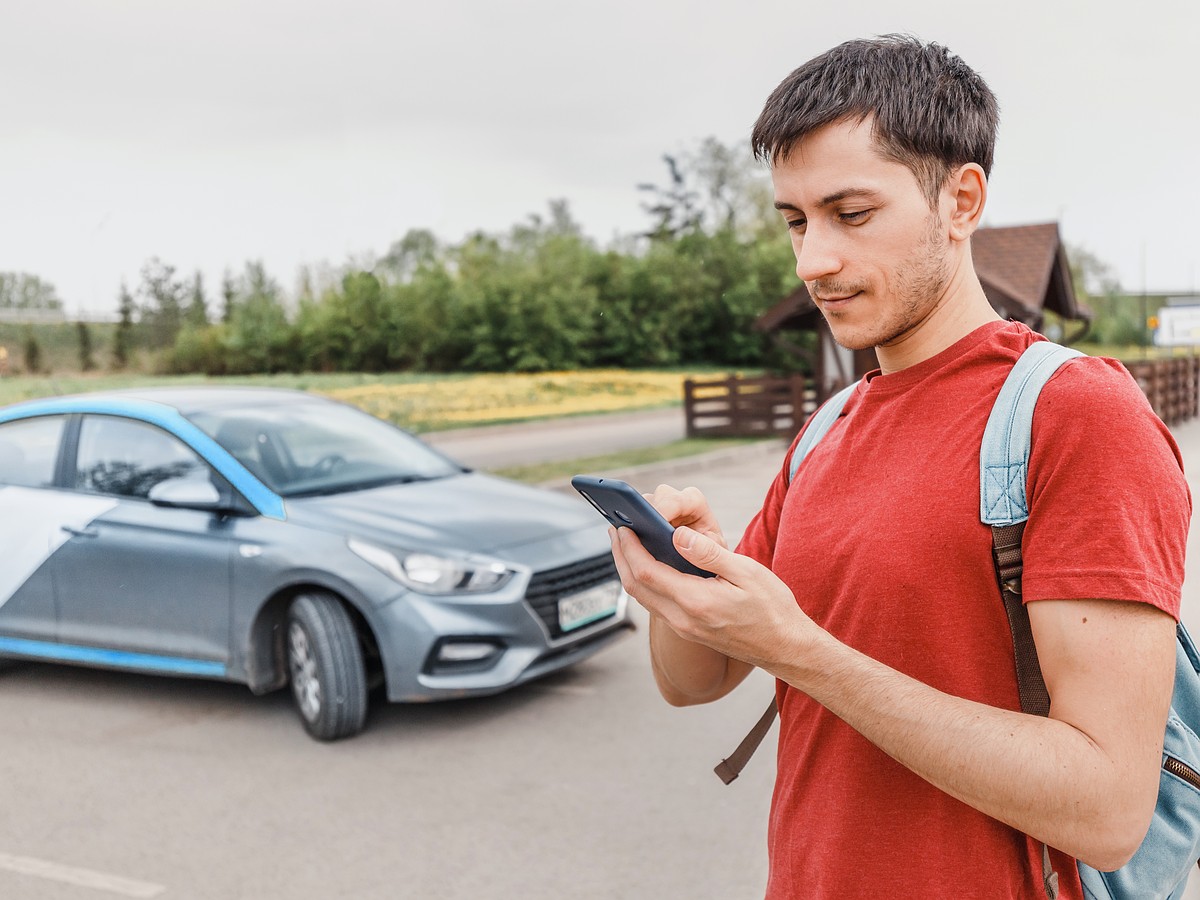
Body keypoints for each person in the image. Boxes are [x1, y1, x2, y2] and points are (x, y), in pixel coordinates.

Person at [609, 35, 1191, 900]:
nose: (813, 262)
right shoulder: (826, 430)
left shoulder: (1076, 415)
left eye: (851, 214)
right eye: (796, 222)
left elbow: (1106, 810)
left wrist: (802, 653)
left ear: (961, 201)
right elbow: (694, 681)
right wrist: (673, 581)